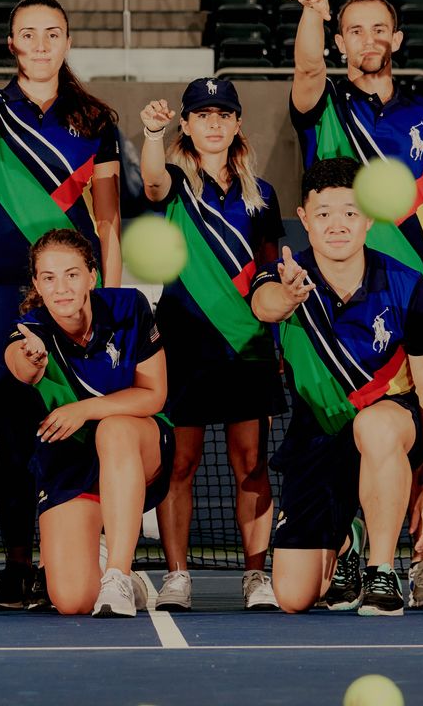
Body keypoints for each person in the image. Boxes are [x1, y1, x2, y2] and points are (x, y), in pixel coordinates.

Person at [286, 0, 423, 608]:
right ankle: (351, 545)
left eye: (378, 28)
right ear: (341, 42)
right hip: (334, 303)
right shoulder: (320, 106)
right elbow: (306, 68)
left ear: (397, 38)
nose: (368, 40)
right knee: (346, 428)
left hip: (404, 295)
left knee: (400, 428)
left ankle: (416, 564)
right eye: (354, 30)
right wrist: (312, 14)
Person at [0, 0, 121, 609]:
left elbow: (108, 223)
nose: (42, 43)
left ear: (67, 43)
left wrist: (111, 297)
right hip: (1, 284)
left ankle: (70, 557)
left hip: (75, 291)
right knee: (11, 425)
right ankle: (19, 564)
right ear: (13, 43)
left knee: (74, 424)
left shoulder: (96, 120)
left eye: (53, 33)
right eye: (29, 33)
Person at [250, 157, 423, 617]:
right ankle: (349, 544)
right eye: (322, 214)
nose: (336, 225)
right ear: (303, 218)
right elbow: (265, 306)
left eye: (348, 212)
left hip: (389, 426)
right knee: (294, 597)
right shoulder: (283, 273)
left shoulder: (406, 285)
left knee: (375, 425)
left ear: (367, 217)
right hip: (317, 435)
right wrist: (290, 296)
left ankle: (382, 571)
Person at [138, 78, 283, 611]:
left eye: (224, 114)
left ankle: (255, 574)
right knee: (181, 463)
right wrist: (151, 135)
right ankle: (177, 575)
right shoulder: (175, 182)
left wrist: (280, 338)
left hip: (247, 345)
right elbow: (151, 185)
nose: (214, 122)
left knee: (252, 463)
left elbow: (270, 268)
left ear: (238, 123)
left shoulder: (261, 192)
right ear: (187, 124)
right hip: (185, 343)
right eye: (202, 114)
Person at [4, 229, 173, 617]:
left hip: (137, 445)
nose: (60, 287)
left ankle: (117, 573)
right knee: (72, 600)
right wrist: (32, 359)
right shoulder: (30, 330)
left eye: (72, 274)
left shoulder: (130, 307)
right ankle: (105, 557)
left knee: (114, 428)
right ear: (36, 284)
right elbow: (21, 363)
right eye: (48, 278)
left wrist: (83, 410)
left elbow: (153, 396)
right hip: (73, 462)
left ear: (92, 276)